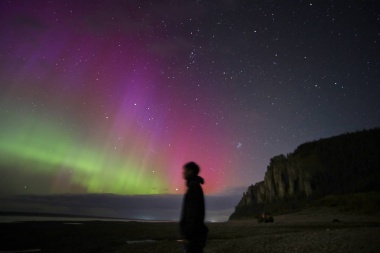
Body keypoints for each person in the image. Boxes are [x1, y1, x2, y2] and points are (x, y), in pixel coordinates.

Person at [179, 162, 208, 253]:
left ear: (191, 171)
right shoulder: (193, 186)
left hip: (192, 237)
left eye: (185, 170)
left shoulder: (194, 187)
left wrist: (188, 236)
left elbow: (193, 213)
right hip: (193, 236)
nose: (183, 172)